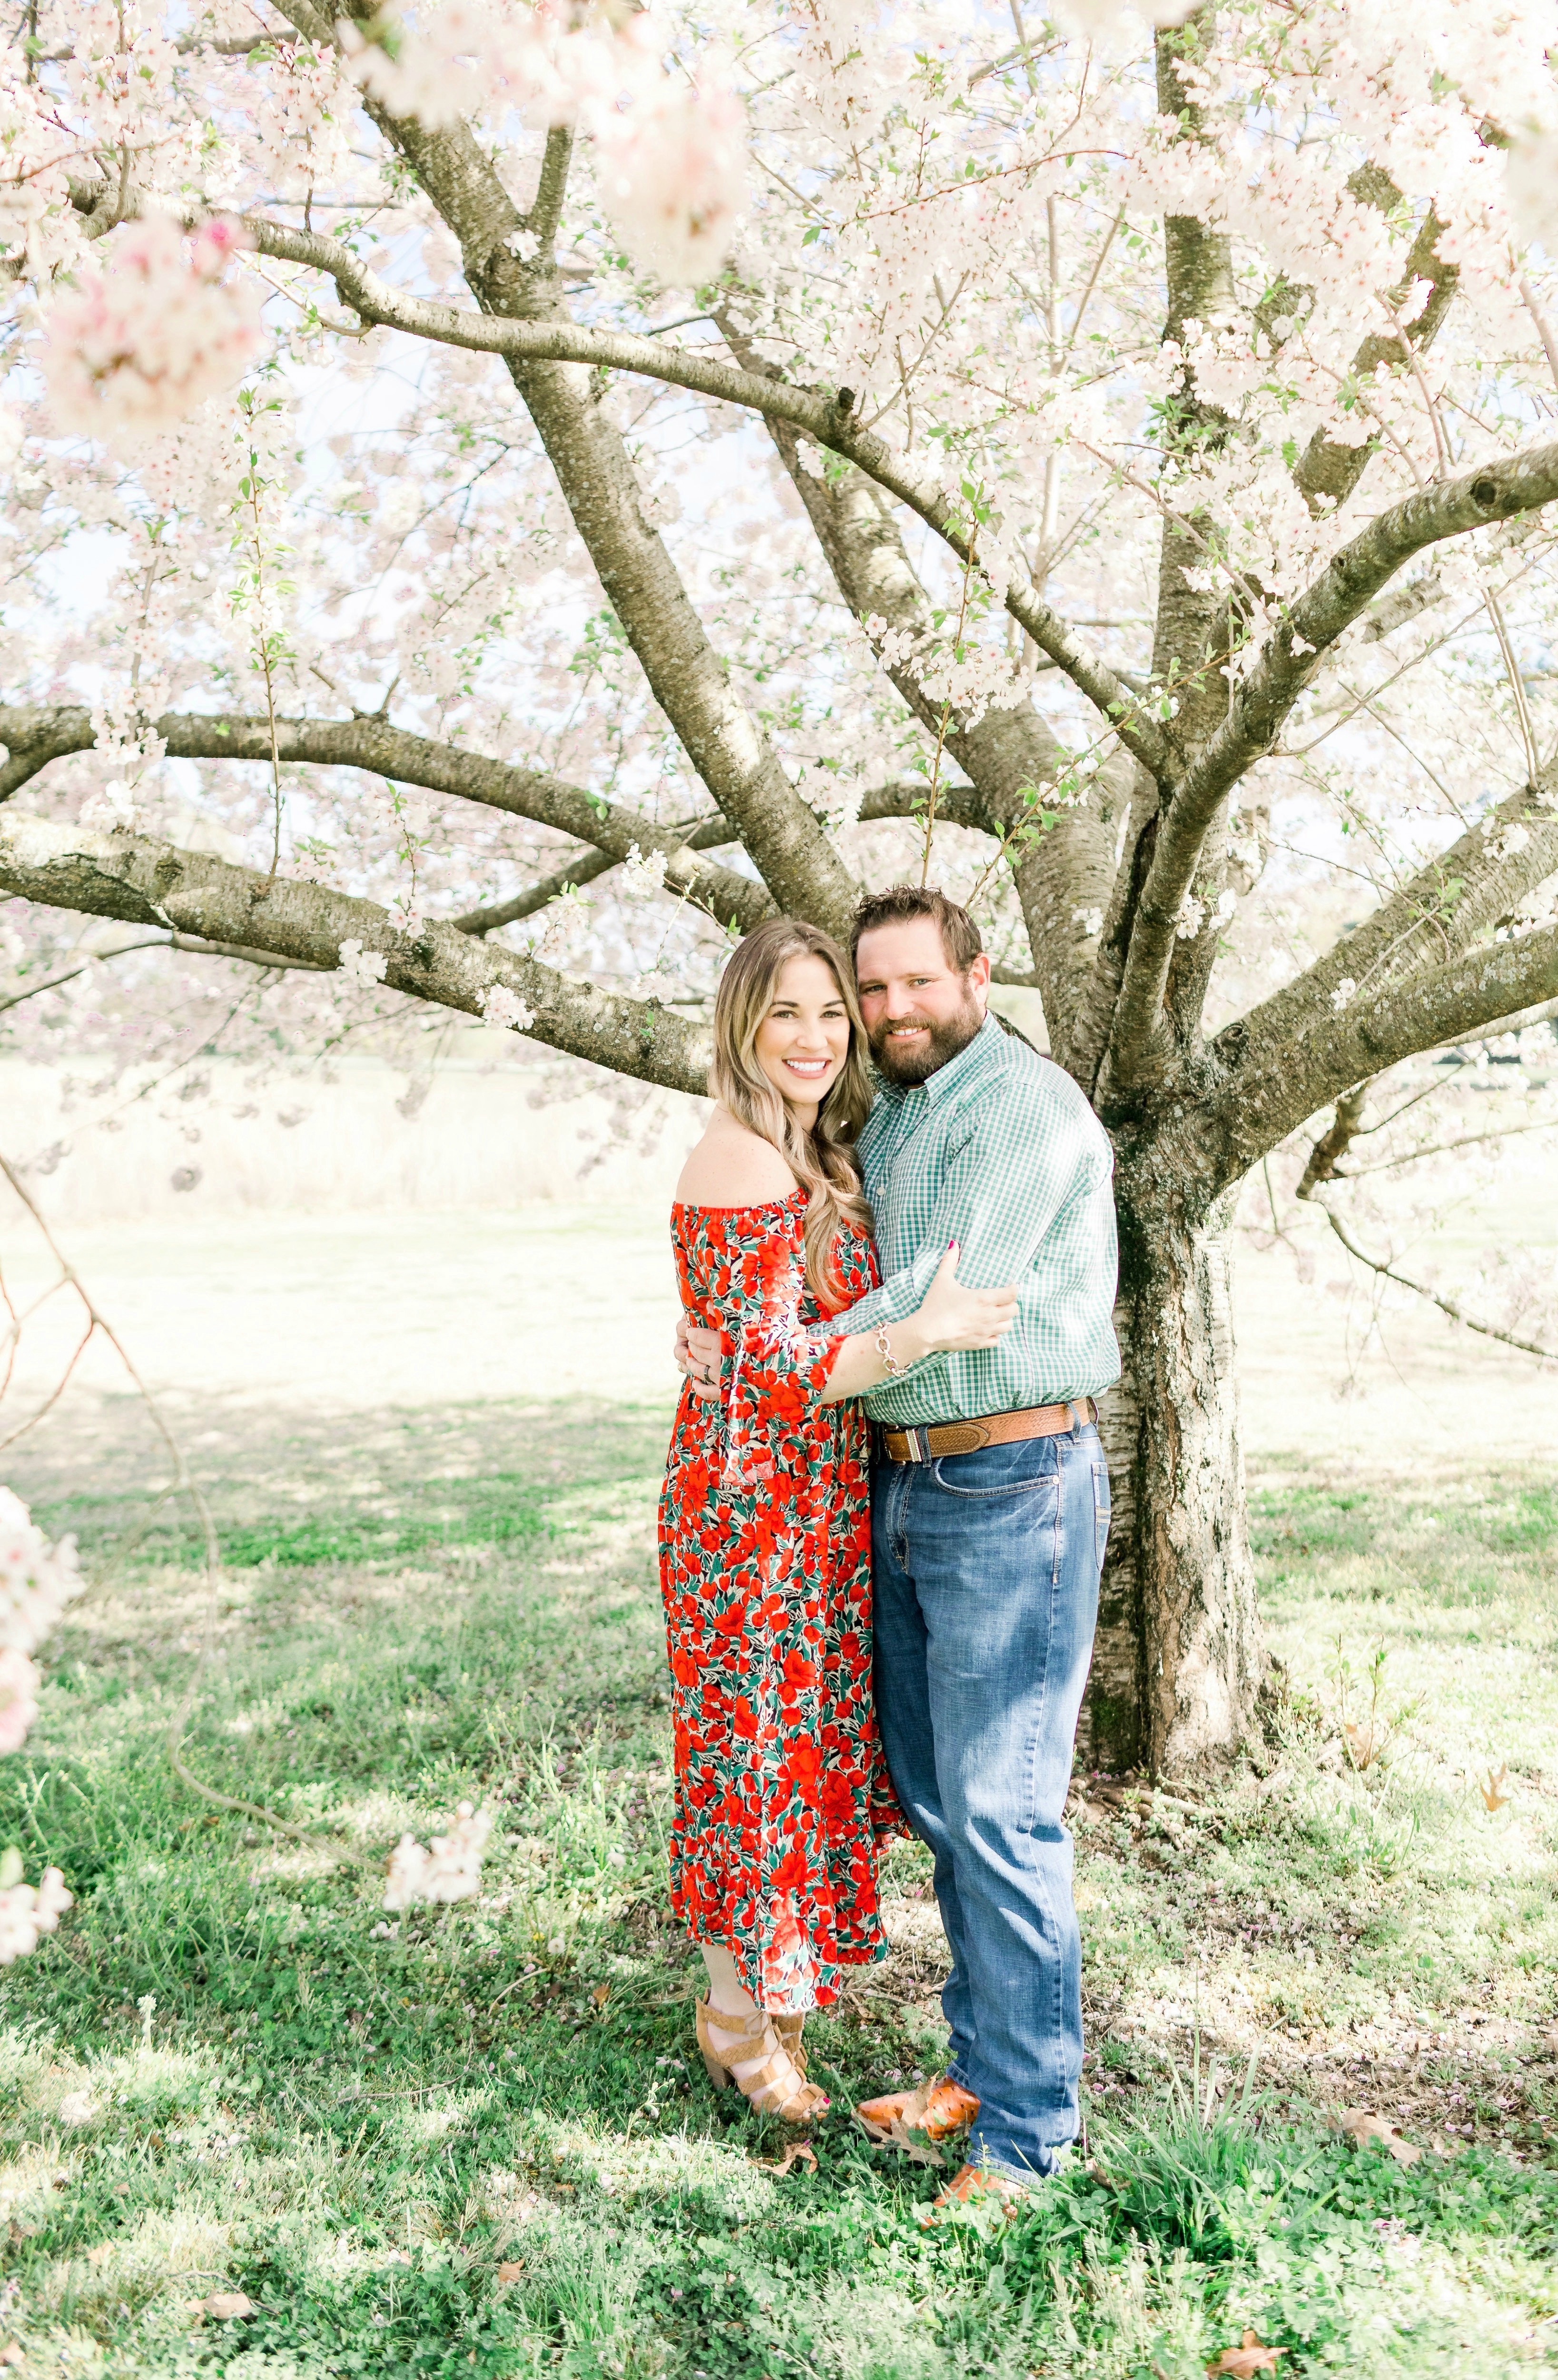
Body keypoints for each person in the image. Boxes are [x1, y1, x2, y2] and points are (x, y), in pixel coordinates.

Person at [679, 885, 1119, 2210]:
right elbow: (802, 1271)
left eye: (909, 986)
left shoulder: (1019, 1112)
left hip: (1012, 1477)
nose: (885, 1014)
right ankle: (982, 2074)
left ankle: (1026, 2137)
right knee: (941, 1807)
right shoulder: (896, 1109)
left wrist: (766, 1357)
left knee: (999, 1812)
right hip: (904, 1481)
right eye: (867, 994)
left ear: (979, 977)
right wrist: (738, 1337)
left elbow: (941, 1295)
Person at [661, 912, 1019, 2126]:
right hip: (748, 1506)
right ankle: (733, 2012)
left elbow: (757, 1329)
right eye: (786, 1014)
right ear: (742, 1025)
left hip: (813, 1496)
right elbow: (767, 1373)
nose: (815, 1038)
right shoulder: (745, 1157)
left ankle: (751, 2000)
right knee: (748, 1752)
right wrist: (922, 1335)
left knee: (789, 1750)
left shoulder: (814, 1147)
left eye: (831, 1011)